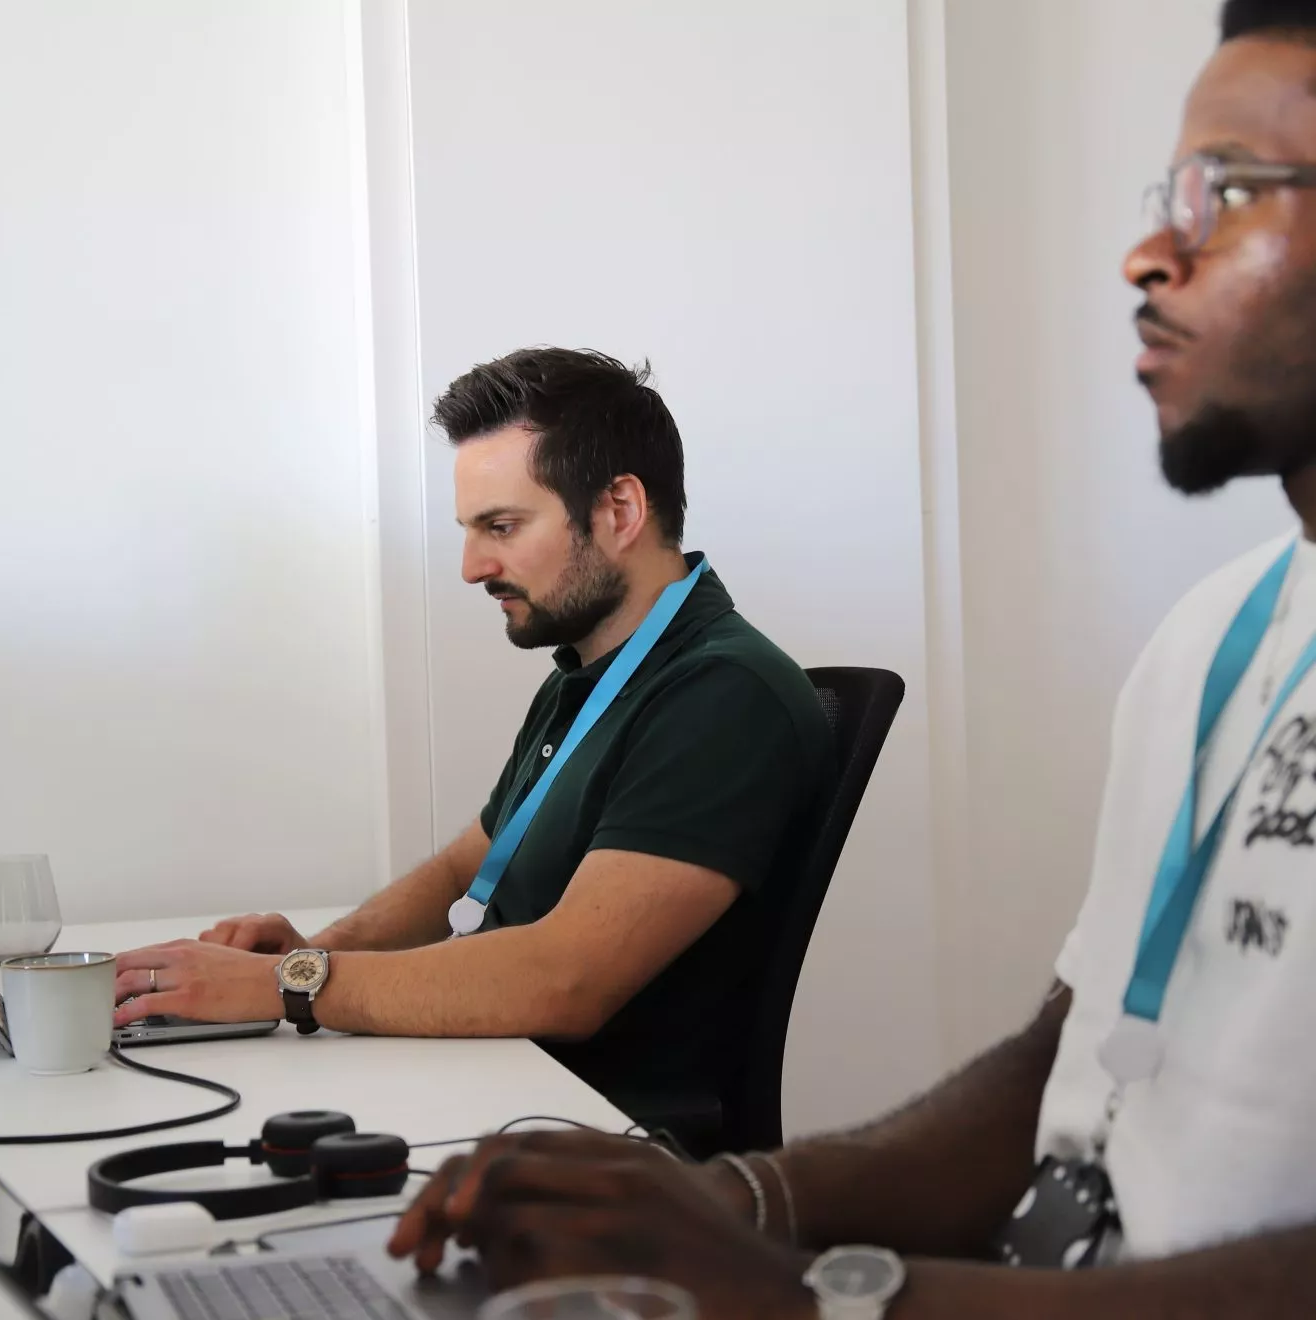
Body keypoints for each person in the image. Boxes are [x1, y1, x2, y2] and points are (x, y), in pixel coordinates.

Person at [385, 3, 1316, 1314]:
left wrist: (821, 1298)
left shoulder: (717, 688)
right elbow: (1070, 1057)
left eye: (1229, 190)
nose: (1149, 253)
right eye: (1168, 196)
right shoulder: (1211, 640)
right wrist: (728, 1205)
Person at [112, 348, 834, 1138]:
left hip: (587, 1134)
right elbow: (468, 869)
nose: (471, 567)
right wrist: (313, 951)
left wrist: (289, 984)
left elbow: (567, 979)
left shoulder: (721, 694)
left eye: (501, 526)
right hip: (493, 1081)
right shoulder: (589, 675)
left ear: (620, 511)